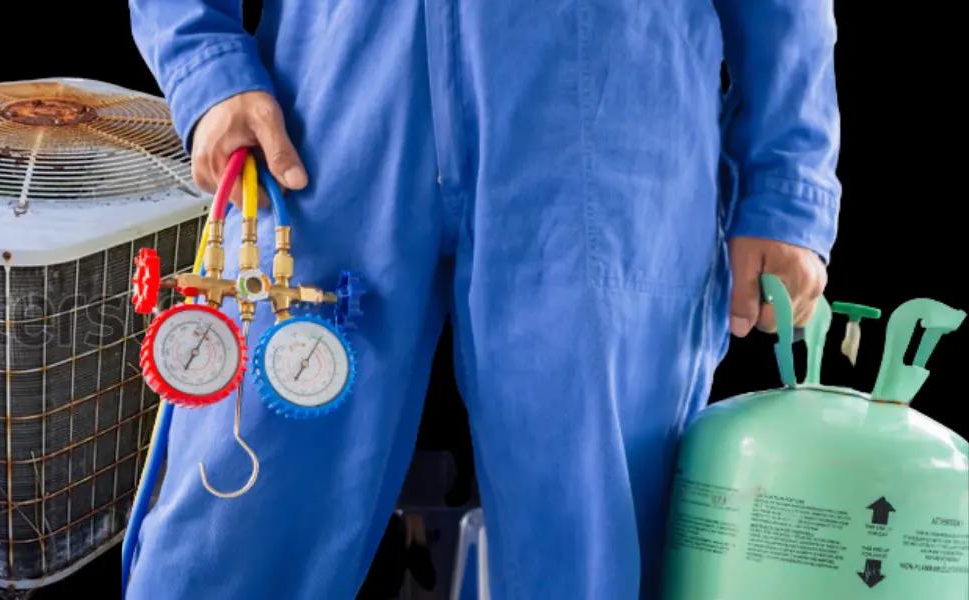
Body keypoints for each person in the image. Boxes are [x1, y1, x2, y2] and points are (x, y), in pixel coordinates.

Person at [127, 1, 837, 598]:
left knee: (595, 548)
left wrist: (786, 185)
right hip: (328, 119)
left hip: (608, 126)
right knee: (237, 504)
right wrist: (209, 66)